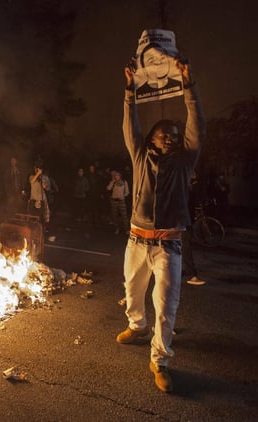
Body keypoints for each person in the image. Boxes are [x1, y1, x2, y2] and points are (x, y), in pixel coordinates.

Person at [116, 55, 205, 393]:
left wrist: (189, 85)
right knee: (132, 293)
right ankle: (137, 327)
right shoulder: (139, 155)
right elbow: (130, 125)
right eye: (165, 133)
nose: (172, 136)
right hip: (137, 241)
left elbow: (198, 125)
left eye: (175, 133)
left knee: (166, 305)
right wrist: (129, 90)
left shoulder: (184, 161)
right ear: (151, 138)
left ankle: (160, 360)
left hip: (169, 245)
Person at [182, 172, 206, 286]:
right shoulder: (184, 189)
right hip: (182, 223)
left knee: (182, 247)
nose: (194, 175)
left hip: (186, 222)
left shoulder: (190, 188)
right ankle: (192, 275)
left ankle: (186, 271)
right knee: (185, 247)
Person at [106, 170, 130, 235]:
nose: (116, 176)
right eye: (115, 175)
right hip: (114, 201)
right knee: (115, 216)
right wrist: (112, 181)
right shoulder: (113, 182)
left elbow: (127, 191)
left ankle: (126, 229)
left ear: (120, 176)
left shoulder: (124, 182)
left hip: (121, 201)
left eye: (117, 175)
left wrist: (123, 196)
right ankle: (117, 228)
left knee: (124, 216)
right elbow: (108, 188)